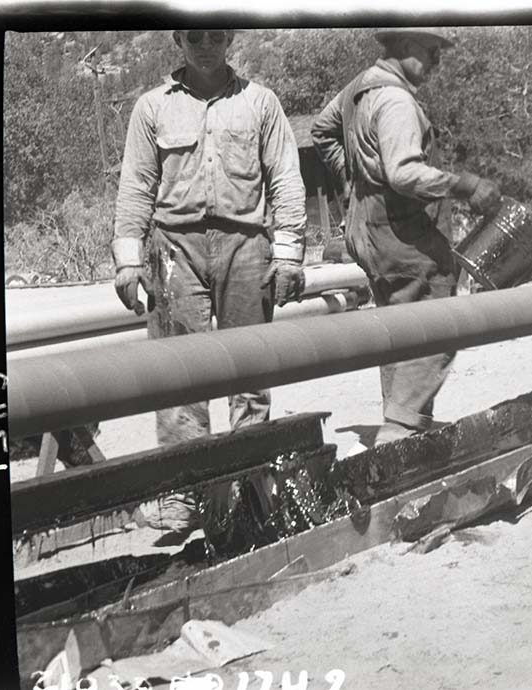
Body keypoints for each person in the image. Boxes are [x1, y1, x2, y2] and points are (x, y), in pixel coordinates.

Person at [111, 29, 308, 535]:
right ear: (179, 40)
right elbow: (135, 183)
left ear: (230, 38)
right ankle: (185, 496)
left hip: (247, 246)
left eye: (214, 35)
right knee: (179, 375)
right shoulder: (151, 108)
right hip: (175, 248)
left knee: (250, 372)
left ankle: (251, 490)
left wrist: (287, 255)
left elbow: (285, 176)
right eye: (194, 36)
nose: (204, 45)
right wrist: (129, 258)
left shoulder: (260, 102)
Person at [312, 27, 502, 446]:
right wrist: (466, 185)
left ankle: (402, 422)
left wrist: (352, 182)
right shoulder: (396, 100)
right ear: (402, 46)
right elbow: (402, 172)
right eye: (432, 51)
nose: (438, 61)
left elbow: (322, 130)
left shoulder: (361, 87)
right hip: (401, 230)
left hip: (368, 228)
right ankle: (399, 429)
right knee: (439, 319)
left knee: (398, 324)